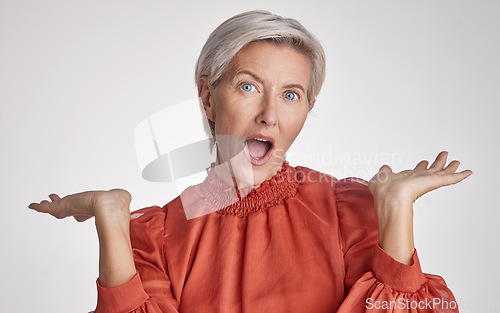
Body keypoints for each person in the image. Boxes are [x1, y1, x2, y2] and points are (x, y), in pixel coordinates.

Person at [29, 10, 472, 312]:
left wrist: (396, 210)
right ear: (207, 96)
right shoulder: (155, 237)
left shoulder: (350, 210)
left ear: (308, 108)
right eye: (248, 86)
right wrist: (111, 221)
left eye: (291, 94)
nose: (270, 114)